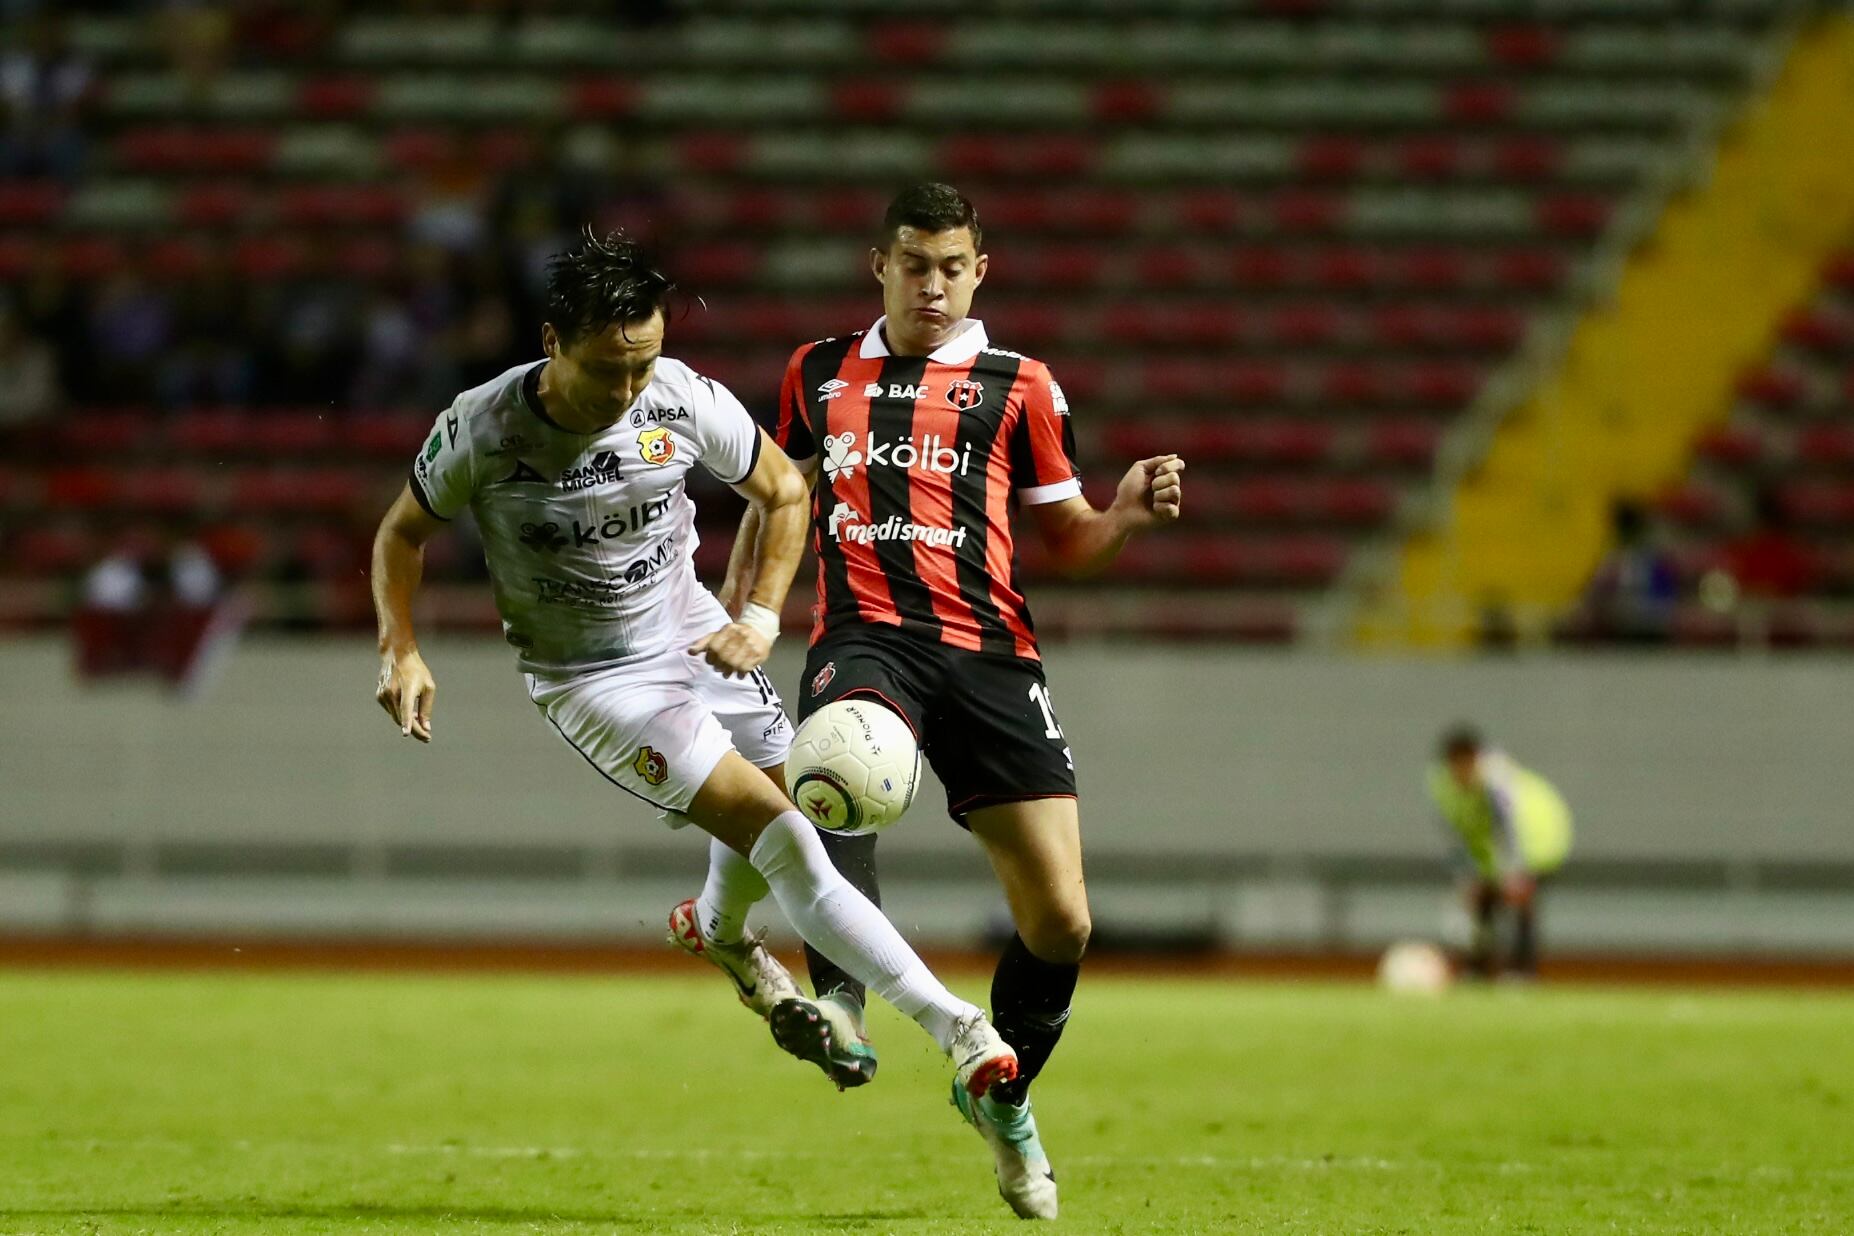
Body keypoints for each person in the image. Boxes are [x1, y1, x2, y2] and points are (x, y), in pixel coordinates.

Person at [368, 230, 1020, 1118]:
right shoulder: (482, 426)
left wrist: (756, 616)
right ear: (552, 343)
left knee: (798, 794)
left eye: (644, 364)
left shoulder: (676, 397)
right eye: (608, 370)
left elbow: (786, 493)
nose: (629, 390)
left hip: (695, 634)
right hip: (596, 680)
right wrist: (400, 646)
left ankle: (717, 933)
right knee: (784, 831)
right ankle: (959, 1029)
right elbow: (401, 534)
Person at [720, 183, 1186, 1220]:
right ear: (877, 264)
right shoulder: (815, 372)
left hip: (992, 656)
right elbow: (778, 503)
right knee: (835, 771)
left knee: (1062, 919)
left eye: (953, 267)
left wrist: (1124, 513)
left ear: (982, 271)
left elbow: (1068, 541)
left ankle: (1004, 1101)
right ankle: (840, 1004)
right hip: (865, 638)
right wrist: (744, 607)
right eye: (914, 263)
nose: (933, 284)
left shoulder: (1020, 385)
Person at [1427, 725, 1574, 980]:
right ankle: (1478, 970)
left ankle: (1522, 973)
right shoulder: (1443, 786)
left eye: (1467, 763)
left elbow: (1507, 827)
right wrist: (1467, 877)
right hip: (1491, 854)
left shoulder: (1497, 779)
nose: (1462, 772)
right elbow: (1459, 834)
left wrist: (1515, 873)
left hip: (1540, 840)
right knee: (1483, 901)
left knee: (1520, 901)